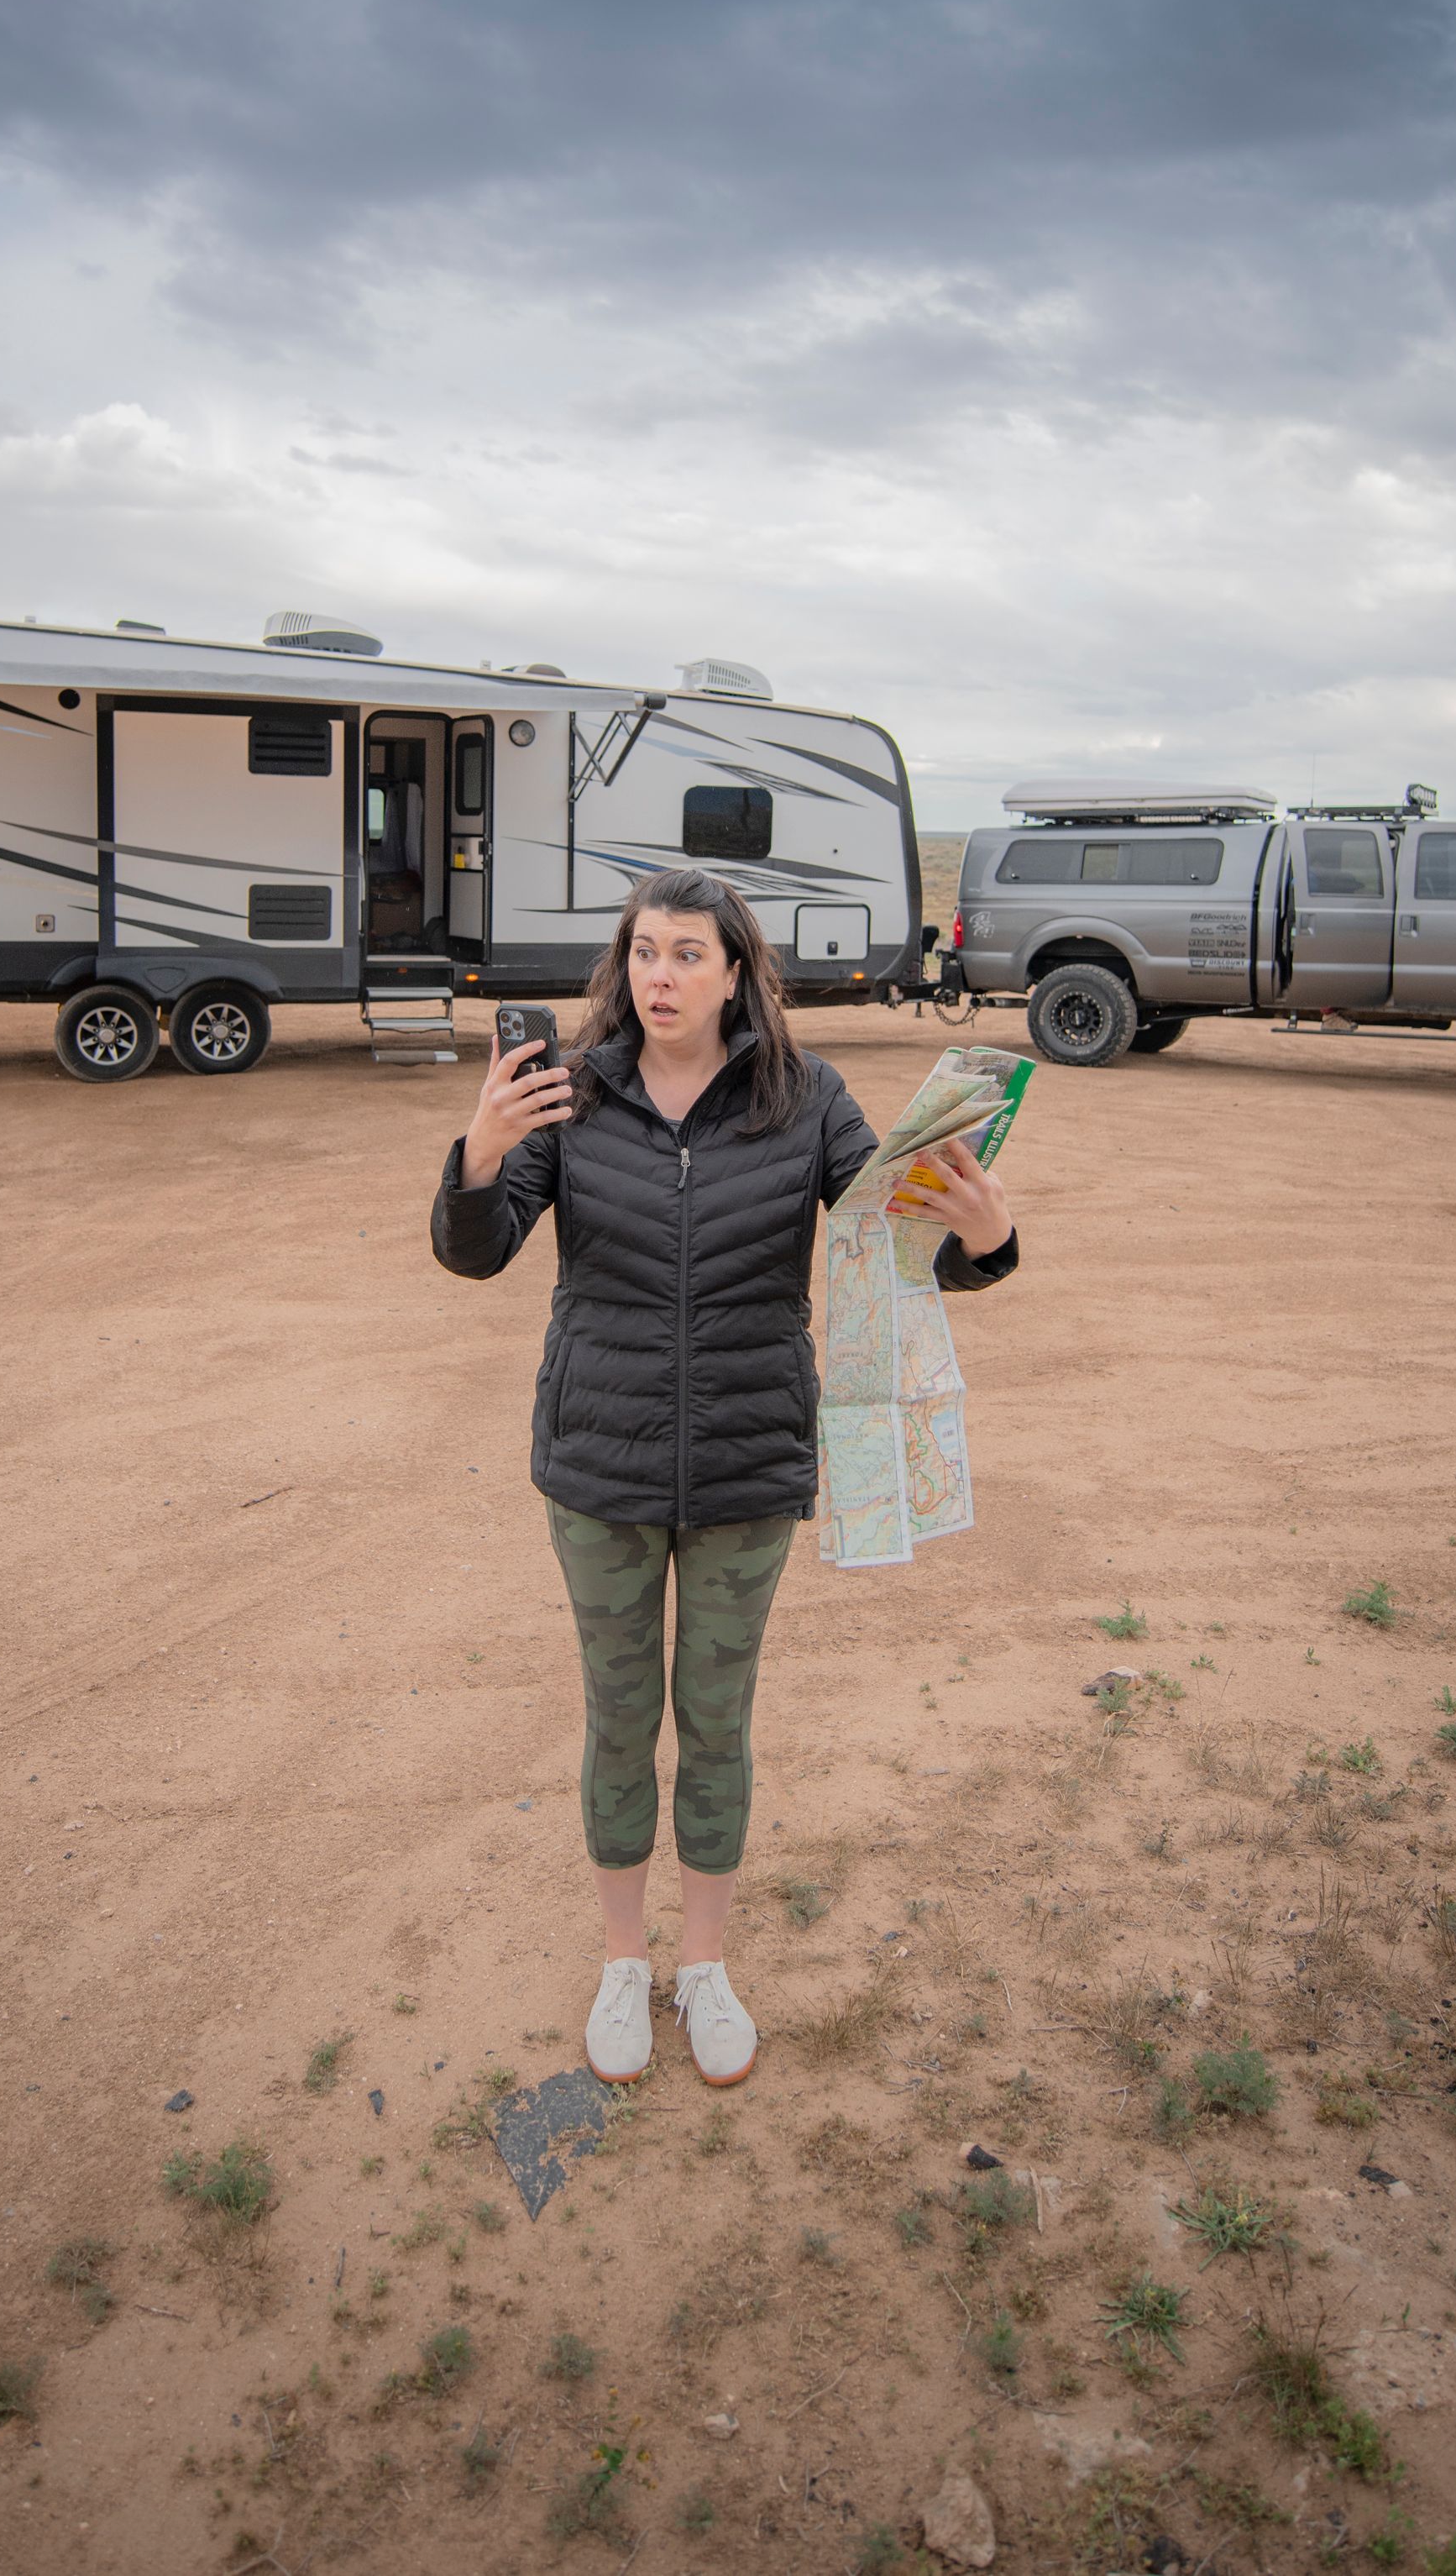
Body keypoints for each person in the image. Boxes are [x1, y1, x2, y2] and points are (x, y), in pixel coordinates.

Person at [430, 867, 1019, 2090]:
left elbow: (885, 1238)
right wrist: (481, 1150)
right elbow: (477, 1254)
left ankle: (703, 1966)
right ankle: (622, 1963)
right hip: (600, 1461)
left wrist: (983, 1237)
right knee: (617, 1719)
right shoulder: (571, 1092)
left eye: (689, 954)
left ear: (738, 972)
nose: (661, 976)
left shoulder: (806, 1098)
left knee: (715, 1721)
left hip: (750, 1463)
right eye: (645, 951)